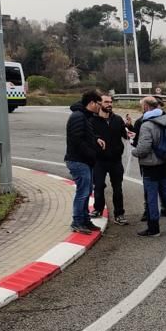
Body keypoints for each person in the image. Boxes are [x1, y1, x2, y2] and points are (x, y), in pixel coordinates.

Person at [130, 96, 166, 237]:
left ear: (146, 107)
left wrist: (133, 151)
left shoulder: (146, 124)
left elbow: (143, 148)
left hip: (150, 164)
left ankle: (153, 227)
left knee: (152, 196)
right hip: (164, 162)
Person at [64, 90, 104, 235]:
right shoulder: (78, 116)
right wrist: (91, 153)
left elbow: (87, 134)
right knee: (82, 192)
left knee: (87, 192)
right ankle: (77, 221)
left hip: (84, 161)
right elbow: (77, 140)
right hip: (78, 161)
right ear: (92, 103)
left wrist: (96, 139)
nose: (100, 107)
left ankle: (85, 219)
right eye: (99, 104)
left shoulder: (85, 116)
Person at [91, 93, 129, 225]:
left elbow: (127, 136)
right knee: (99, 186)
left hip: (115, 160)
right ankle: (98, 209)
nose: (109, 104)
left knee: (117, 188)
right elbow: (88, 137)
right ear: (99, 103)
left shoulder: (117, 119)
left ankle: (119, 214)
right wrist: (96, 139)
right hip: (99, 160)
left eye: (111, 102)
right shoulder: (92, 120)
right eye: (106, 102)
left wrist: (129, 126)